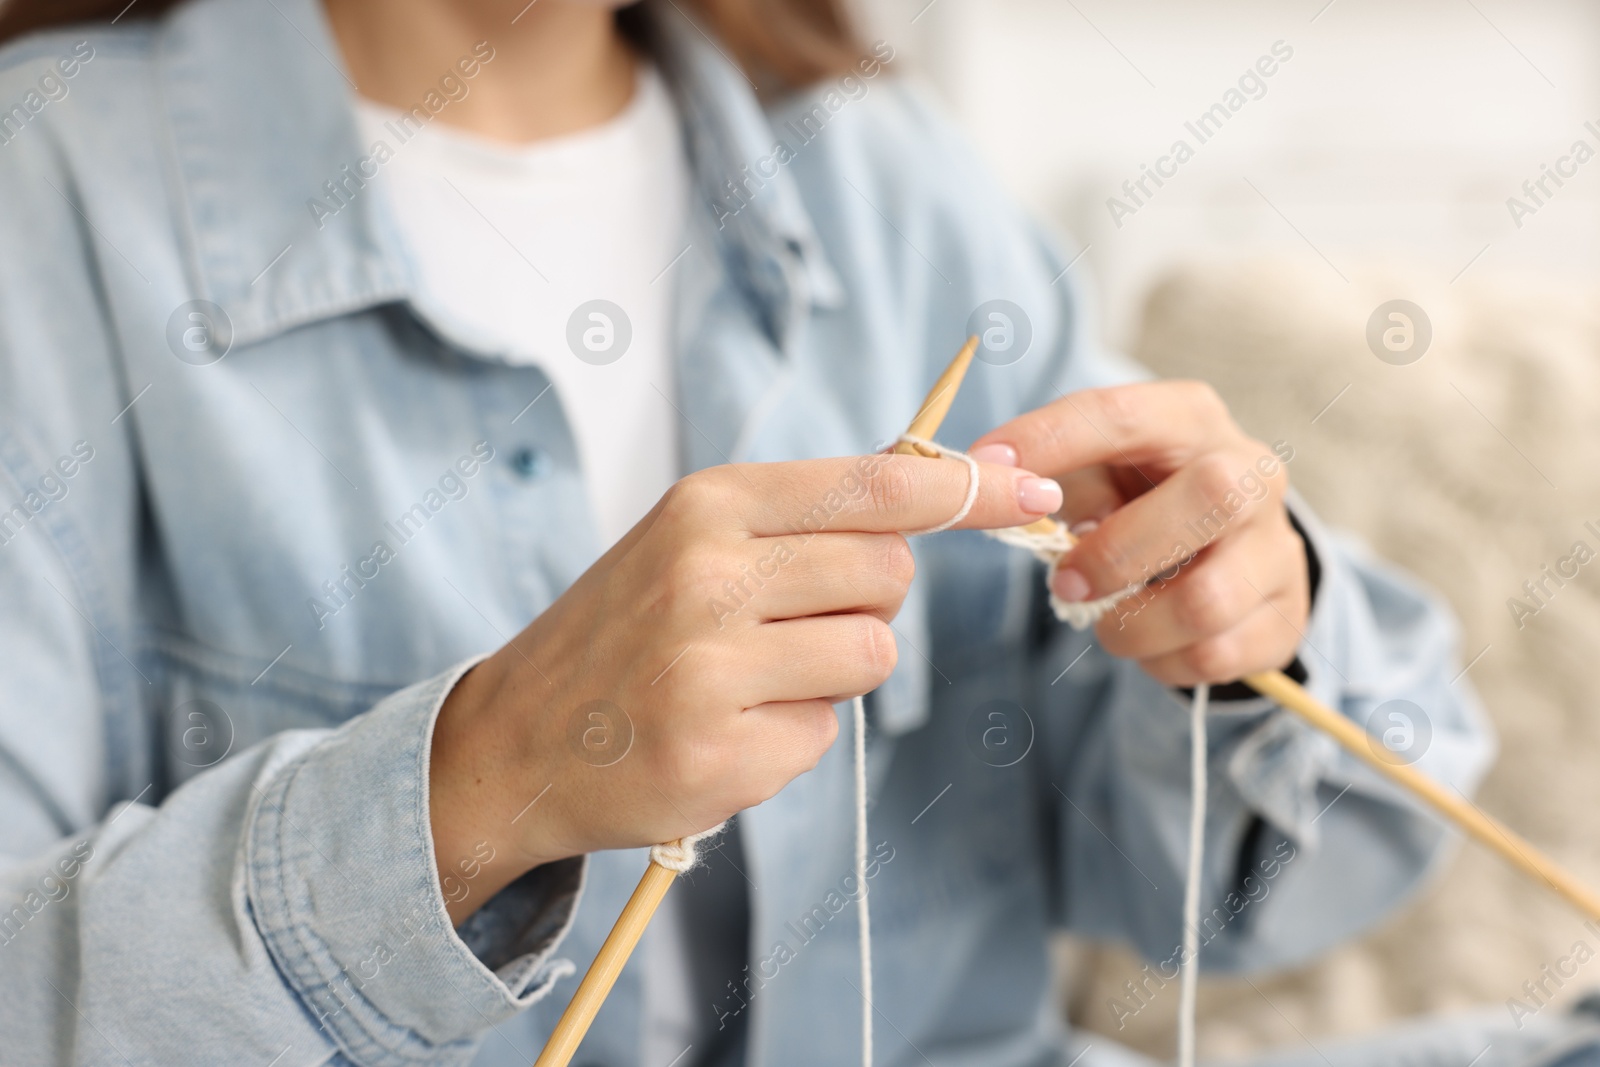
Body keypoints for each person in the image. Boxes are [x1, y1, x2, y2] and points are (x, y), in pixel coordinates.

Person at [0, 0, 1494, 1064]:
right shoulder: (48, 188)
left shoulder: (886, 176)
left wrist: (1244, 642)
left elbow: (1260, 883)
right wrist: (485, 779)